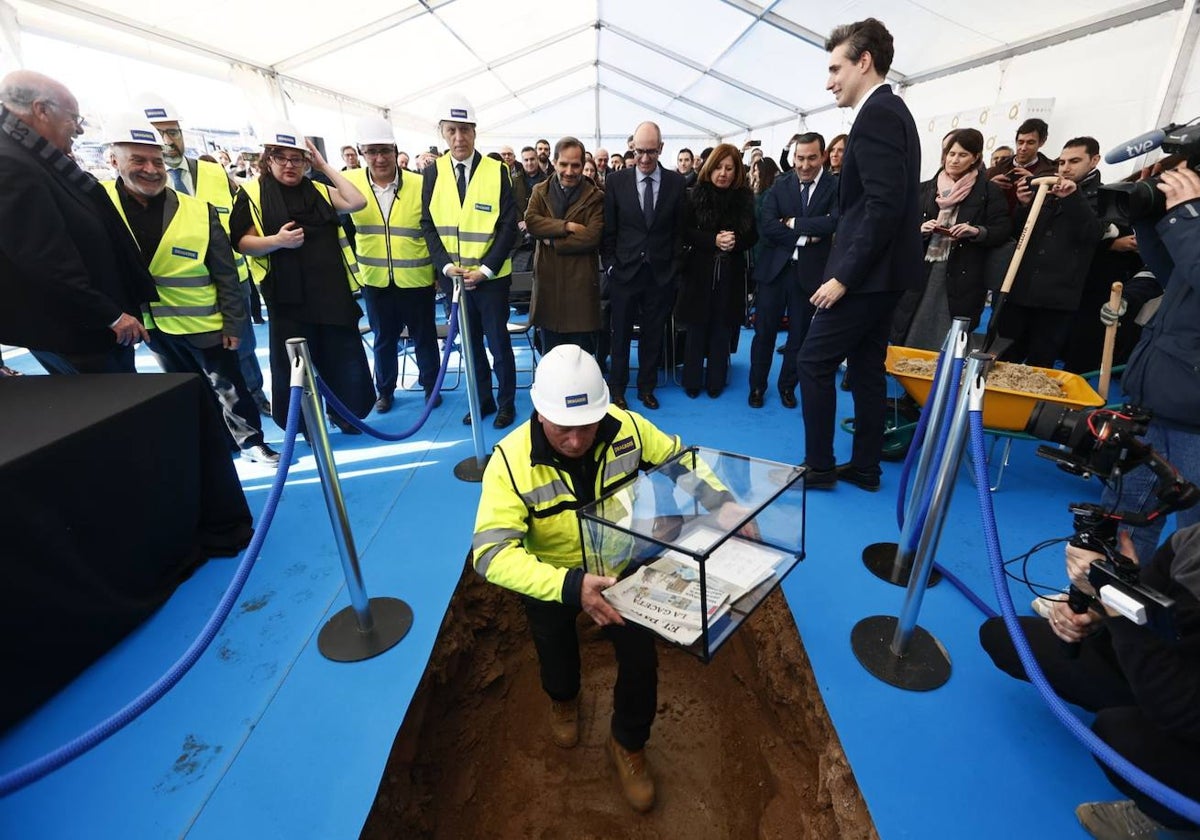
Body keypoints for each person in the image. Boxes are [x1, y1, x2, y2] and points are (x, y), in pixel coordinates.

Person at [471, 344, 747, 813]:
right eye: (564, 428)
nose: (576, 441)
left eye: (586, 427)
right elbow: (490, 554)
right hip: (552, 577)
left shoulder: (628, 427)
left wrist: (722, 501)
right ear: (539, 413)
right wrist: (568, 588)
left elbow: (679, 460)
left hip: (621, 567)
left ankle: (628, 744)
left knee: (641, 662)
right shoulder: (510, 462)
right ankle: (563, 699)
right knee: (555, 652)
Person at [979, 524, 1200, 839]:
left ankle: (1174, 815)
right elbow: (1151, 599)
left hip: (1183, 703)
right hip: (1165, 665)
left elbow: (1179, 707)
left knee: (1121, 735)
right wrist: (1098, 610)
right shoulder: (1193, 541)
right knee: (1007, 638)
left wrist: (1119, 617)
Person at [101, 114, 278, 464]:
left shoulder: (198, 211)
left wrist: (232, 322)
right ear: (114, 161)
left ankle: (251, 442)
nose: (151, 169)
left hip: (204, 320)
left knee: (229, 387)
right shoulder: (98, 202)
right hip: (152, 327)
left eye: (156, 160)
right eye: (138, 160)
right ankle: (215, 446)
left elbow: (226, 273)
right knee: (186, 389)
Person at [795, 18, 923, 492]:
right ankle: (866, 466)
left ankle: (820, 466)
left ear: (863, 62)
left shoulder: (879, 116)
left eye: (835, 69)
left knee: (813, 362)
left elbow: (882, 206)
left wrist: (843, 275)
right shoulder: (892, 112)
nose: (829, 82)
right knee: (868, 369)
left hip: (866, 276)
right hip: (885, 274)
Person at [0, 70, 156, 374]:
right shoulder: (10, 164)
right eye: (74, 118)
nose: (78, 130)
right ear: (41, 110)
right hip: (81, 330)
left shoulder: (37, 155)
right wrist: (110, 315)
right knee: (116, 407)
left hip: (92, 322)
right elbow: (43, 259)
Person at [230, 120, 373, 434]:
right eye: (281, 158)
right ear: (268, 160)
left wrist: (323, 166)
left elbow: (357, 201)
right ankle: (308, 426)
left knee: (342, 359)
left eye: (297, 158)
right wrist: (276, 241)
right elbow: (242, 242)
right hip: (288, 299)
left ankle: (346, 415)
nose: (289, 165)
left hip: (332, 293)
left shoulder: (319, 188)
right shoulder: (252, 193)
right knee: (296, 369)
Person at [136, 92, 270, 417]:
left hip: (232, 282)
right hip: (174, 296)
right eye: (158, 133)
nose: (167, 141)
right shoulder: (140, 186)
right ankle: (212, 416)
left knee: (244, 350)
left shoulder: (214, 173)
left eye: (172, 132)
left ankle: (256, 397)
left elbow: (239, 221)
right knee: (197, 365)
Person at [1101, 161, 1200, 563]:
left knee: (1193, 542)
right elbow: (1176, 273)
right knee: (1126, 511)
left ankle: (1179, 623)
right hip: (1154, 399)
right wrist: (1148, 220)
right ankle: (1098, 602)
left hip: (1193, 420)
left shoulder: (1191, 222)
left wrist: (1185, 217)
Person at [419, 95, 520, 429]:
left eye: (464, 130)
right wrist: (446, 268)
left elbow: (508, 224)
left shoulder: (498, 171)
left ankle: (507, 402)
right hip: (455, 281)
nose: (458, 138)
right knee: (470, 346)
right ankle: (482, 400)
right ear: (443, 134)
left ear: (475, 132)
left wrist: (486, 269)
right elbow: (428, 225)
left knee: (499, 344)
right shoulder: (432, 174)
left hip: (491, 280)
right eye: (452, 131)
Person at [343, 116, 442, 414]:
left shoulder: (420, 184)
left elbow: (433, 229)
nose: (380, 158)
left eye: (385, 150)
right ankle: (384, 391)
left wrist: (438, 272)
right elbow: (344, 233)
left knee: (424, 338)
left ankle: (430, 387)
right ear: (362, 154)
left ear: (395, 150)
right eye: (372, 151)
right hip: (375, 281)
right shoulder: (350, 185)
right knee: (384, 341)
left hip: (417, 279)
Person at [892, 127, 1011, 349]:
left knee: (947, 338)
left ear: (975, 158)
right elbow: (902, 227)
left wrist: (975, 231)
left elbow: (1002, 228)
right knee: (911, 329)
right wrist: (920, 229)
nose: (954, 160)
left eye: (963, 155)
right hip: (922, 267)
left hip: (963, 272)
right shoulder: (926, 188)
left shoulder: (988, 191)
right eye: (951, 153)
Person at [994, 139, 1105, 368]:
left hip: (1057, 299)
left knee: (1039, 365)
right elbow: (1020, 235)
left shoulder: (1102, 197)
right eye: (1062, 162)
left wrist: (1073, 198)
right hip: (1021, 290)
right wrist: (1024, 206)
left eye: (1074, 161)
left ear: (1094, 160)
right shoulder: (1045, 190)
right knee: (1002, 357)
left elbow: (1092, 234)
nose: (1065, 168)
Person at [600, 120, 687, 411]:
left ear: (661, 149)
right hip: (624, 272)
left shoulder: (676, 182)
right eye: (640, 151)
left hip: (660, 274)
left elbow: (679, 231)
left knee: (653, 335)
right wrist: (611, 266)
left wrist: (673, 268)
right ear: (631, 149)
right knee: (620, 335)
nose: (645, 158)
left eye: (651, 151)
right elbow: (609, 230)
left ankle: (647, 388)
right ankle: (618, 390)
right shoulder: (615, 181)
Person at [750, 132, 838, 409]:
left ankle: (788, 386)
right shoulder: (780, 184)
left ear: (822, 156)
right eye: (800, 158)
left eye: (812, 158)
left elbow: (834, 222)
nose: (805, 165)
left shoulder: (835, 186)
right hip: (774, 272)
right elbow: (767, 225)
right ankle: (757, 387)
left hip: (811, 274)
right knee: (764, 334)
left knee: (799, 336)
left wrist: (792, 223)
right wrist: (807, 235)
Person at [675, 143, 757, 399]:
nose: (723, 173)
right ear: (709, 169)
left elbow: (753, 235)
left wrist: (735, 242)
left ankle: (715, 381)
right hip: (699, 270)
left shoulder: (744, 199)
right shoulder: (694, 195)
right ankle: (692, 379)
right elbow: (684, 231)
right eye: (719, 167)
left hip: (731, 272)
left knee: (723, 327)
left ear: (736, 172)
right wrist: (712, 240)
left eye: (729, 168)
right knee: (697, 326)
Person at [524, 136, 604, 355]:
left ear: (583, 165)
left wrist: (551, 240)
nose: (569, 171)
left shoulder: (596, 197)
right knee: (551, 357)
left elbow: (592, 237)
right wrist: (566, 226)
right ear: (555, 162)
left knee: (581, 357)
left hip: (581, 289)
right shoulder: (540, 191)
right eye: (564, 164)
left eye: (575, 165)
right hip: (548, 287)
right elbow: (531, 222)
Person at [986, 118, 1058, 214]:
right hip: (998, 226)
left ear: (1042, 142)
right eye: (1020, 142)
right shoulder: (996, 170)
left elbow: (1051, 208)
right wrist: (989, 187)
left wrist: (1036, 183)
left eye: (1030, 143)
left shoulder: (1051, 173)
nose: (1023, 148)